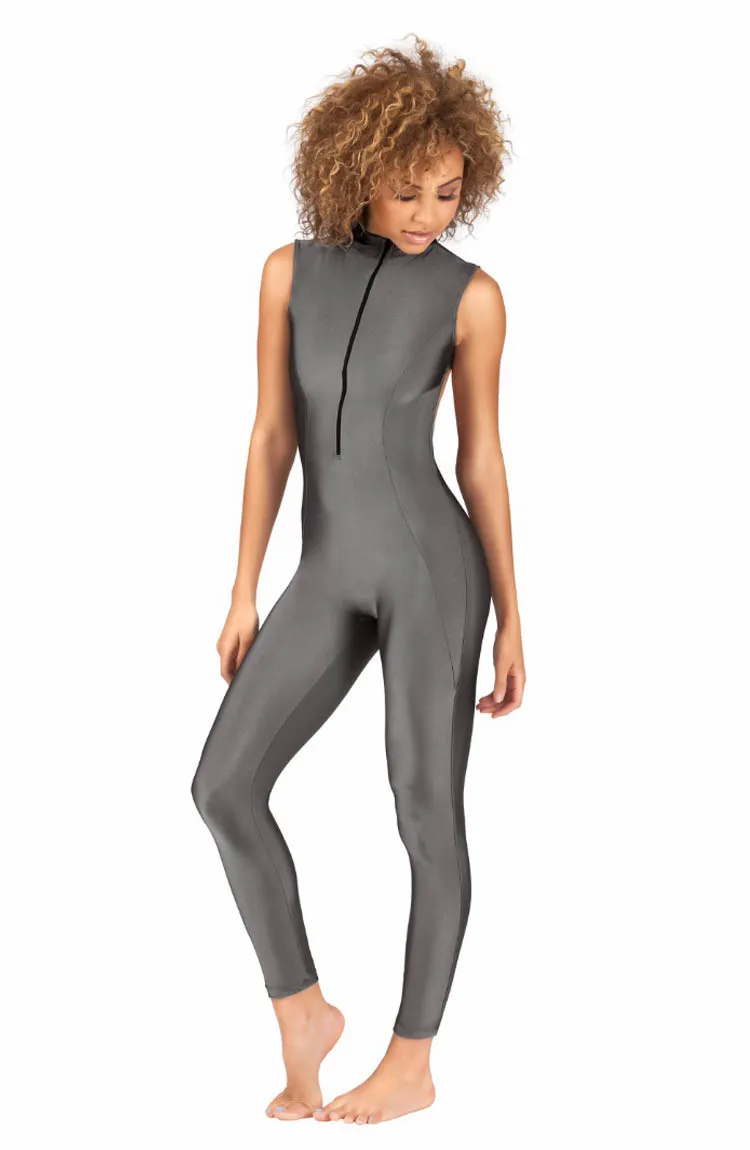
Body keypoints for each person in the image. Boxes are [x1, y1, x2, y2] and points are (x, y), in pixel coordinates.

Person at [191, 35, 526, 1125]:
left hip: (433, 571)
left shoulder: (472, 299)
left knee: (425, 807)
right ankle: (303, 1010)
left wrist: (514, 618)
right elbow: (270, 435)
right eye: (406, 188)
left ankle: (412, 1058)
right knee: (222, 785)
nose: (428, 212)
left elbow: (481, 461)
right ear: (353, 167)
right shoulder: (288, 273)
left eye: (449, 191)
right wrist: (244, 588)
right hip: (327, 571)